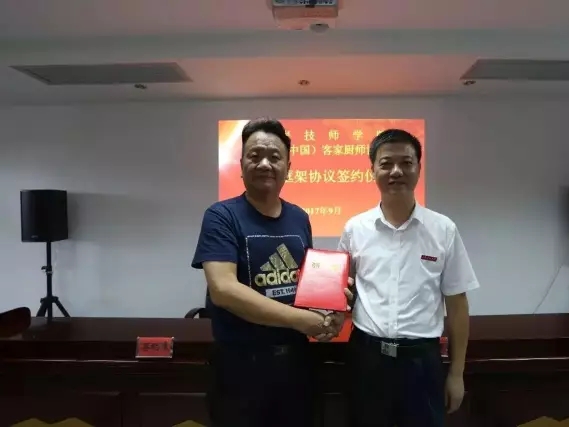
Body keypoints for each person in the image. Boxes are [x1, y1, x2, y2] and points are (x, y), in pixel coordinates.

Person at [191, 117, 343, 427]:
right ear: (241, 164)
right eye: (255, 155)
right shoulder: (222, 216)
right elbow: (223, 290)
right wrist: (302, 320)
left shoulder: (299, 217)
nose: (264, 164)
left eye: (274, 157)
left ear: (288, 166)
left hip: (297, 364)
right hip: (241, 368)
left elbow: (309, 285)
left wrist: (334, 309)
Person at [338, 129, 480, 427]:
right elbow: (341, 292)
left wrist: (456, 374)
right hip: (368, 357)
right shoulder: (355, 229)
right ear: (372, 170)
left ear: (418, 168)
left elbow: (457, 304)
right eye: (386, 163)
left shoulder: (443, 229)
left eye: (406, 162)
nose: (396, 171)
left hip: (422, 361)